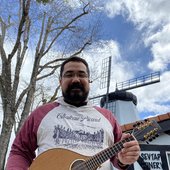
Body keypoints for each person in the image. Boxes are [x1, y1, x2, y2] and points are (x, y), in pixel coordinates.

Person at [6, 56, 140, 170]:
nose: (76, 79)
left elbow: (118, 157)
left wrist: (123, 159)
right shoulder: (41, 113)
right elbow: (20, 152)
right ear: (60, 81)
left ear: (89, 81)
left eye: (82, 75)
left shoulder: (108, 117)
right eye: (69, 74)